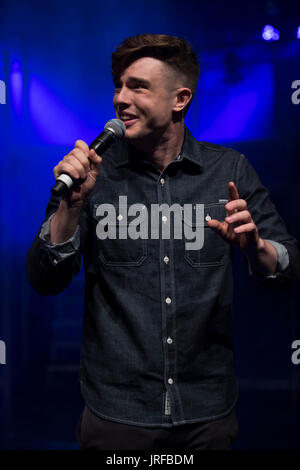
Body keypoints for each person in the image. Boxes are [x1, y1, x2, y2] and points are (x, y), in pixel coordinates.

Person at [26, 33, 300, 450]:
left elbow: (288, 266)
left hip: (205, 415)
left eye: (137, 86)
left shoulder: (229, 170)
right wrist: (71, 206)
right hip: (116, 414)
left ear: (180, 99)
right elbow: (43, 279)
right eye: (118, 85)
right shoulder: (92, 178)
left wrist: (257, 248)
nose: (120, 98)